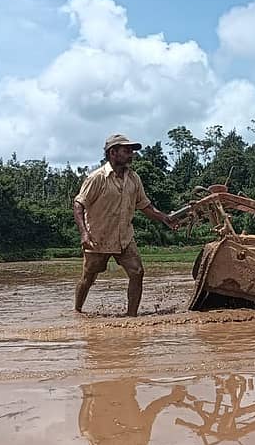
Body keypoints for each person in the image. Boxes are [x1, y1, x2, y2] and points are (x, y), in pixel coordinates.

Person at [73, 133, 177, 316]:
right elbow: (79, 204)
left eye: (131, 151)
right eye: (126, 151)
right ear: (113, 153)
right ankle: (77, 311)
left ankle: (131, 317)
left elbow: (145, 205)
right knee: (88, 278)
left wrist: (164, 218)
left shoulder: (134, 179)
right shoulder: (97, 178)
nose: (131, 155)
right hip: (98, 238)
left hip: (124, 238)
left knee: (137, 272)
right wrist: (84, 233)